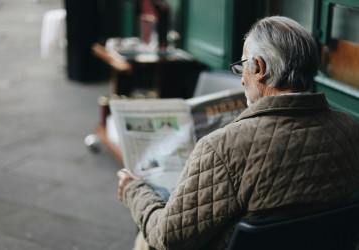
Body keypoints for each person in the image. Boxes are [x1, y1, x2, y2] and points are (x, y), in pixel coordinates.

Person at [117, 16, 359, 250]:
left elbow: (168, 239)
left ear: (259, 67)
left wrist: (134, 189)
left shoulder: (222, 148)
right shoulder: (350, 128)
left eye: (243, 65)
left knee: (146, 236)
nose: (242, 79)